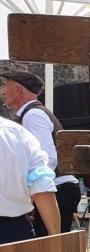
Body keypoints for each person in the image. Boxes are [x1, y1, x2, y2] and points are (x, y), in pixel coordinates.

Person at [0, 70, 81, 235]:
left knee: (50, 245)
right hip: (57, 189)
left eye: (5, 86)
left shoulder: (32, 116)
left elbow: (48, 158)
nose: (2, 92)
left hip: (57, 189)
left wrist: (30, 193)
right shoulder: (34, 114)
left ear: (18, 90)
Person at [0, 117, 60, 245]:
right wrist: (55, 238)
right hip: (15, 231)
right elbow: (42, 188)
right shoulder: (20, 134)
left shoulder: (19, 133)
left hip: (15, 229)